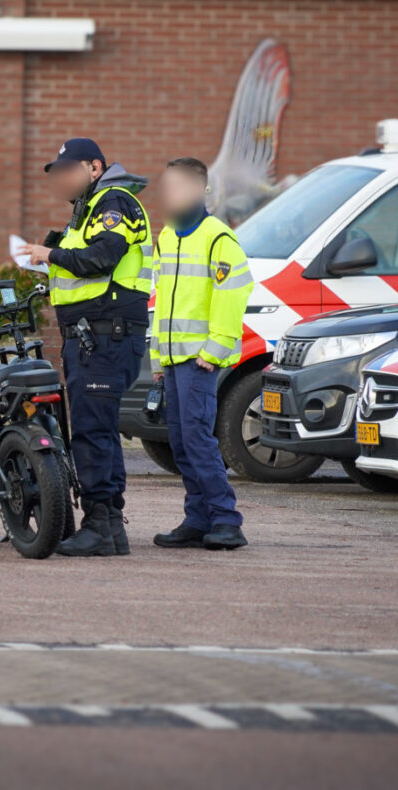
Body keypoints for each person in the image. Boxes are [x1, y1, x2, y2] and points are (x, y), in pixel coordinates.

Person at [15, 138, 152, 557]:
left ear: (94, 167)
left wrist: (49, 253)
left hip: (105, 336)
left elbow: (104, 257)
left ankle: (100, 526)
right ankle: (109, 528)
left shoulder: (113, 201)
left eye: (69, 170)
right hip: (95, 337)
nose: (62, 179)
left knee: (94, 434)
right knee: (98, 433)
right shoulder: (88, 210)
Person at [149, 157, 254, 550]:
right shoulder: (168, 236)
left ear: (198, 189)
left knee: (196, 439)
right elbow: (162, 302)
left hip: (199, 360)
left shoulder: (218, 237)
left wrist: (215, 349)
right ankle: (197, 519)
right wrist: (158, 358)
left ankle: (227, 520)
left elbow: (234, 293)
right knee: (180, 442)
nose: (168, 195)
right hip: (175, 360)